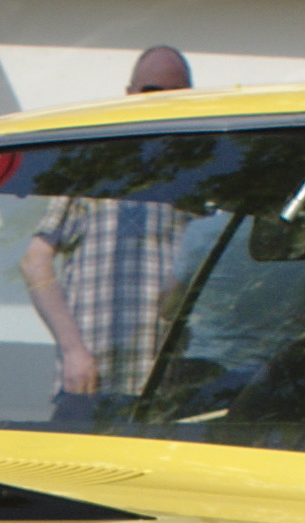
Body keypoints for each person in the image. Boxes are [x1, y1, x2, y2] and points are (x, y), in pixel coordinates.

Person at [17, 44, 199, 423]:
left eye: (175, 95)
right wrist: (72, 351)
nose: (161, 103)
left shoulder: (199, 178)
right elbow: (36, 262)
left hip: (166, 393)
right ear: (130, 95)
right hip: (91, 386)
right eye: (151, 92)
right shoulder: (94, 168)